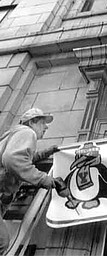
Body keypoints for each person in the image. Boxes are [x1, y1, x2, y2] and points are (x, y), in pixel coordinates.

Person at [0, 108, 60, 255]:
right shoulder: (27, 132)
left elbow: (24, 158)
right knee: (2, 243)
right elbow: (13, 159)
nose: (46, 127)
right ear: (32, 122)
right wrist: (44, 179)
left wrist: (46, 153)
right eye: (42, 123)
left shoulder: (15, 134)